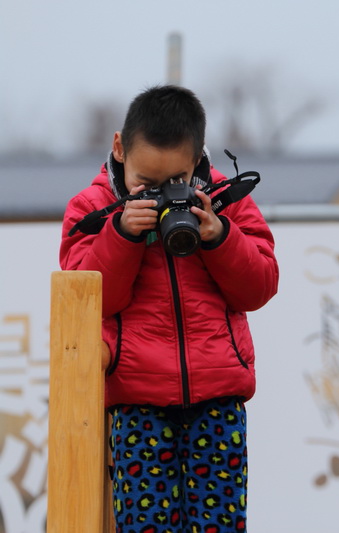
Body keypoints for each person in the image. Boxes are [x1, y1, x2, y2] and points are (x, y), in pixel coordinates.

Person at [60, 85, 279, 532]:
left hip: (218, 395)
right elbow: (91, 300)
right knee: (144, 524)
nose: (161, 195)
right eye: (146, 183)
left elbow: (259, 287)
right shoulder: (93, 208)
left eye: (174, 181)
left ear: (199, 156)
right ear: (119, 148)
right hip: (136, 399)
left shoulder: (226, 201)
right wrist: (121, 235)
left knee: (218, 523)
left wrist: (220, 236)